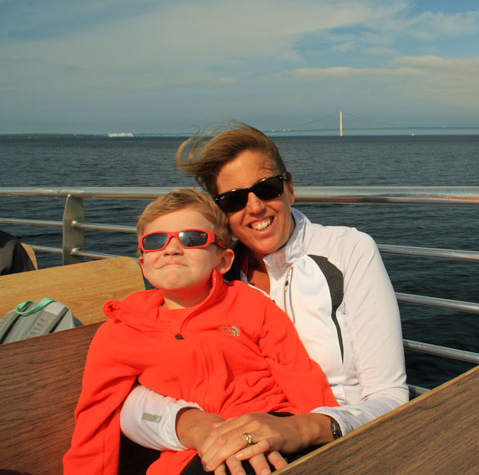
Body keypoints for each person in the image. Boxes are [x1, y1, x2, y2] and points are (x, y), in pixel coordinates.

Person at [120, 122, 408, 473]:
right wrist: (191, 425)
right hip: (236, 448)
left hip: (344, 445)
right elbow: (131, 398)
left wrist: (300, 428)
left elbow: (390, 397)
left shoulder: (347, 251)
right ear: (221, 214)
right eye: (234, 199)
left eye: (267, 187)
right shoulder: (210, 276)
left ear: (289, 188)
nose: (254, 207)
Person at [63, 189, 337, 474]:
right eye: (155, 241)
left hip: (271, 428)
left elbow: (297, 373)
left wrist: (329, 439)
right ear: (143, 264)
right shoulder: (121, 331)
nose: (171, 249)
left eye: (191, 238)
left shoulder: (251, 304)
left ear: (223, 260)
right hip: (195, 455)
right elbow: (96, 419)